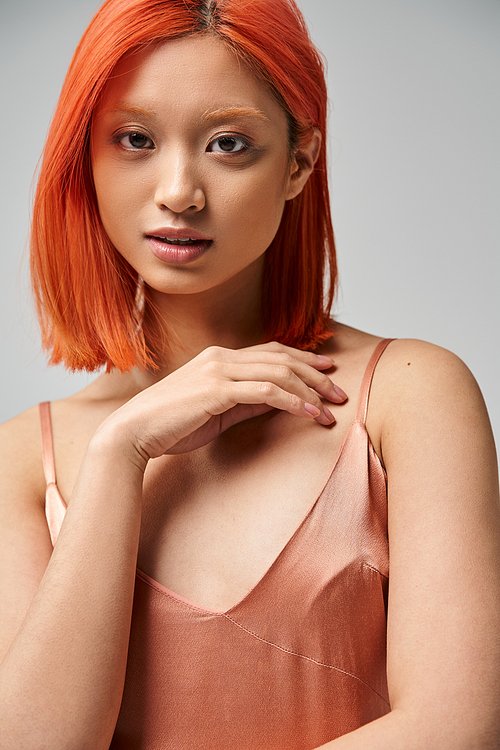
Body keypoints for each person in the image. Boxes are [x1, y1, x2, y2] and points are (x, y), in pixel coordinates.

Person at [0, 0, 499, 747]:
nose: (178, 190)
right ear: (87, 156)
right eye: (134, 138)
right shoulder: (19, 461)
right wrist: (119, 453)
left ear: (299, 163)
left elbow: (459, 727)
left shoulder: (409, 395)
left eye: (228, 144)